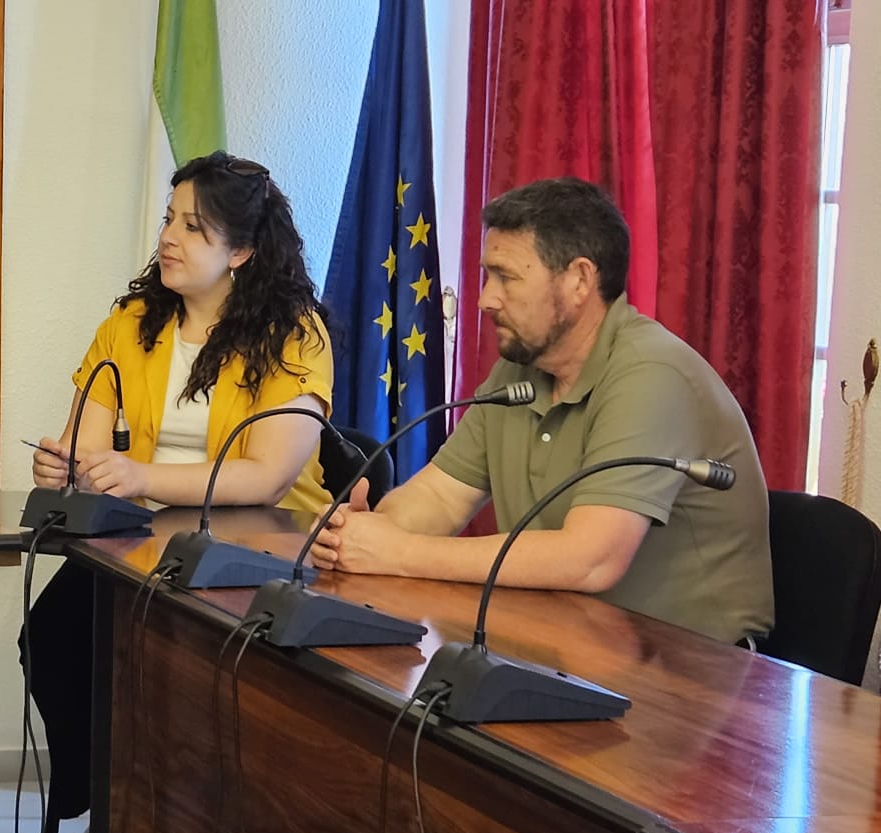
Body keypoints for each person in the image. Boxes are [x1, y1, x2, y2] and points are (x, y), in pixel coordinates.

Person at [23, 151, 335, 833]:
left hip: (265, 548)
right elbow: (93, 445)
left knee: (182, 671)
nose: (169, 237)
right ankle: (112, 808)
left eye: (195, 228)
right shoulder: (130, 324)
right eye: (169, 219)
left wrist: (140, 475)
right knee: (53, 636)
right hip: (143, 544)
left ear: (243, 251)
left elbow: (268, 475)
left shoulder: (296, 334)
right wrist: (70, 466)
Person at [306, 177, 773, 644]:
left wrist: (399, 553)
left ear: (579, 281)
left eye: (506, 277)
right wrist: (361, 532)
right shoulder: (521, 372)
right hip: (565, 640)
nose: (485, 298)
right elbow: (442, 497)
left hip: (690, 669)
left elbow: (591, 559)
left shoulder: (653, 375)